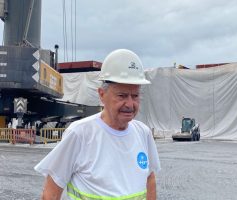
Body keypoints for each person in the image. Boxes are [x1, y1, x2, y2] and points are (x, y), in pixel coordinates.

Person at [34, 49, 161, 200]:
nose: (130, 104)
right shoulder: (80, 133)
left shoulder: (143, 133)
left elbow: (149, 179)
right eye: (122, 96)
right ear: (102, 95)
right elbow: (51, 191)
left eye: (135, 96)